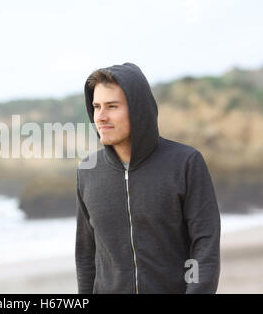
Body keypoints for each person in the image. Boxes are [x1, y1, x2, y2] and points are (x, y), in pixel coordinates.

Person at [75, 62, 221, 294]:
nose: (100, 117)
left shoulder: (185, 163)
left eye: (112, 106)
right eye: (96, 106)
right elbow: (86, 256)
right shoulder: (88, 172)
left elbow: (204, 246)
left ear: (137, 109)